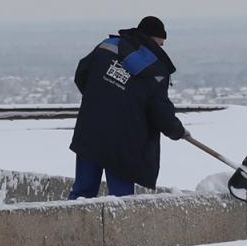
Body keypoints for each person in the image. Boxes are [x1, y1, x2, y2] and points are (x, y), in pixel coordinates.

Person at [67, 15, 186, 198]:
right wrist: (178, 131)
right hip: (124, 142)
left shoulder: (108, 46)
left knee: (82, 192)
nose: (161, 48)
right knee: (121, 199)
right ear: (154, 39)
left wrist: (102, 101)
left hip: (91, 129)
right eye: (161, 44)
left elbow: (82, 75)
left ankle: (73, 226)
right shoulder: (156, 70)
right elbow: (160, 113)